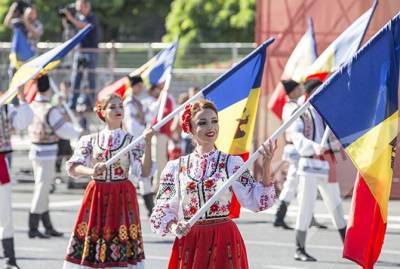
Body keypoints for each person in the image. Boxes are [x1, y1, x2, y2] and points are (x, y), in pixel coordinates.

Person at [150, 100, 277, 269]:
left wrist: (267, 164)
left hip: (223, 238)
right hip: (191, 240)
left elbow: (255, 200)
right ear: (191, 129)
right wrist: (175, 227)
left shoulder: (232, 163)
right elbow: (162, 209)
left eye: (214, 121)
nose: (211, 127)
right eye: (202, 123)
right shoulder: (176, 167)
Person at [63, 93, 154, 268]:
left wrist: (148, 143)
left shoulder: (132, 141)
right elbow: (73, 167)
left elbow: (145, 171)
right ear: (102, 112)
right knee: (94, 235)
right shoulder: (90, 140)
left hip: (122, 194)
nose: (118, 110)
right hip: (98, 193)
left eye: (121, 106)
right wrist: (92, 170)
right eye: (112, 107)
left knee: (122, 237)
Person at [289, 79, 347, 262]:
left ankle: (349, 247)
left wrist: (335, 143)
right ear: (309, 94)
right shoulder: (300, 113)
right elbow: (296, 137)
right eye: (319, 90)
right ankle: (299, 249)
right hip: (308, 166)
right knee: (305, 208)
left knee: (336, 207)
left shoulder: (327, 112)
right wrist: (314, 147)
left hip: (326, 165)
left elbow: (334, 138)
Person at [27, 74, 81, 239]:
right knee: (42, 189)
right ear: (49, 88)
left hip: (35, 151)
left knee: (42, 188)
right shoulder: (50, 109)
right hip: (47, 153)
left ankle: (47, 225)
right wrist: (77, 132)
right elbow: (63, 130)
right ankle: (33, 225)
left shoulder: (32, 105)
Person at [0, 86, 33, 269]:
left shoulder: (5, 108)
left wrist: (21, 97)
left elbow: (23, 122)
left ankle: (9, 259)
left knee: (4, 214)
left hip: (0, 166)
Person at [123, 75, 155, 217]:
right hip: (134, 143)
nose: (141, 88)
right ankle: (127, 207)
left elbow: (148, 116)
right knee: (134, 176)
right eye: (139, 85)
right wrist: (142, 136)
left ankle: (150, 208)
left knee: (144, 176)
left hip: (140, 143)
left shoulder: (138, 102)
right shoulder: (129, 103)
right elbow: (131, 125)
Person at [273, 79, 303, 229]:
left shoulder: (293, 106)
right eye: (298, 88)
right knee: (293, 183)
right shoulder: (292, 107)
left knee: (297, 183)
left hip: (294, 148)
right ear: (293, 91)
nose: (301, 89)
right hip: (295, 148)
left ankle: (282, 215)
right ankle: (280, 215)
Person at [64, 0, 98, 110]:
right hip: (79, 52)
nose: (78, 9)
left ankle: (91, 103)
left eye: (80, 6)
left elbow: (84, 26)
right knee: (75, 79)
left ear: (87, 6)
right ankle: (72, 103)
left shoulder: (92, 18)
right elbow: (69, 29)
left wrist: (71, 18)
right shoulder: (77, 18)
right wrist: (67, 20)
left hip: (90, 52)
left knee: (90, 78)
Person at [142, 83, 175, 194]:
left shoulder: (167, 99)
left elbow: (166, 115)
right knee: (157, 161)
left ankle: (160, 186)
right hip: (157, 134)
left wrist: (156, 126)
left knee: (160, 162)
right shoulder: (159, 100)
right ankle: (158, 185)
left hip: (161, 134)